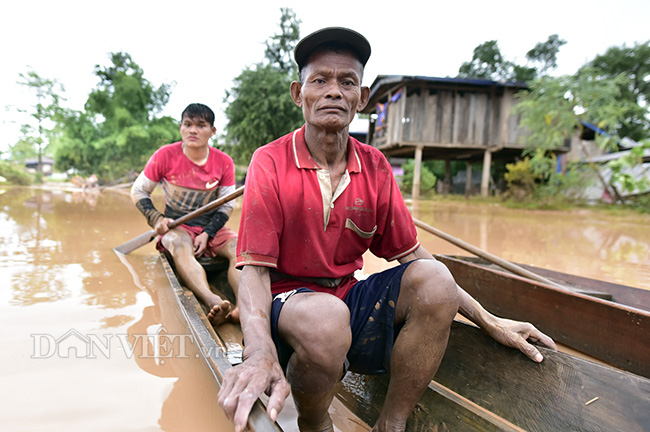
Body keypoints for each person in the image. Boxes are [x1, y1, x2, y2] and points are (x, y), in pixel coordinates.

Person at [218, 28, 557, 432]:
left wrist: (490, 320)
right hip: (287, 304)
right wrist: (258, 351)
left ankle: (391, 424)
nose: (333, 92)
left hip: (346, 299)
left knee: (435, 280)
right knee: (326, 319)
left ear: (361, 99)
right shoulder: (269, 161)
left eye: (347, 82)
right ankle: (314, 421)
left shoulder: (375, 166)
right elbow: (253, 270)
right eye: (319, 80)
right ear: (298, 93)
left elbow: (413, 256)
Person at [131, 103, 240, 325]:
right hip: (177, 226)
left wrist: (208, 233)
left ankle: (242, 307)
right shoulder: (165, 155)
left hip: (212, 227)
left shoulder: (224, 162)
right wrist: (156, 218)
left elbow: (228, 205)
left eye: (201, 125)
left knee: (240, 248)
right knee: (179, 244)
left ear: (212, 131)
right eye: (188, 125)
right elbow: (138, 191)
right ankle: (213, 301)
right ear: (180, 127)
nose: (193, 130)